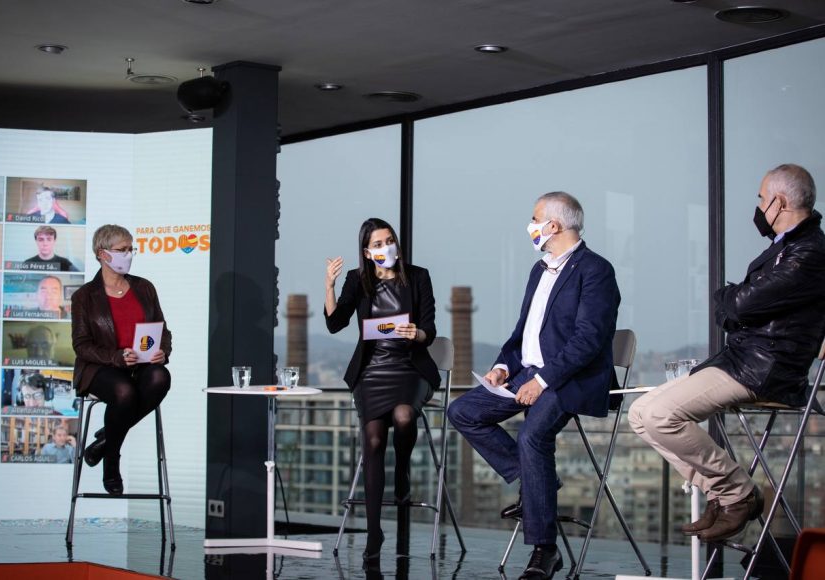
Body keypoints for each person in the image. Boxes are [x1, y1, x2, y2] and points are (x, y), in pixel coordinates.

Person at [630, 163, 825, 543]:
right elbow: (740, 306)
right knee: (640, 414)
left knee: (658, 414)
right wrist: (733, 301)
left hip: (764, 369)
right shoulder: (788, 249)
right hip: (743, 360)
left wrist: (730, 299)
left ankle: (738, 494)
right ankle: (725, 493)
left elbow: (736, 307)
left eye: (760, 198)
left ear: (778, 201)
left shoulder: (808, 253)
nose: (757, 207)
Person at [447, 192, 620, 580]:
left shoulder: (596, 270)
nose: (531, 226)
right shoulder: (538, 270)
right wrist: (501, 368)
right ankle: (536, 479)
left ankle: (544, 549)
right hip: (528, 373)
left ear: (554, 226)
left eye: (535, 218)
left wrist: (542, 380)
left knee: (532, 438)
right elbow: (522, 335)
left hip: (569, 378)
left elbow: (589, 339)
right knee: (462, 412)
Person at [324, 217, 440, 562]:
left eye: (389, 240)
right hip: (372, 371)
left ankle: (402, 469)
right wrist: (329, 285)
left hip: (409, 367)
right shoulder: (357, 281)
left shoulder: (418, 277)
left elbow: (430, 329)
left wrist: (416, 334)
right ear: (366, 251)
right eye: (377, 244)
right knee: (373, 439)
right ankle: (374, 532)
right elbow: (335, 323)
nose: (385, 247)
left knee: (404, 416)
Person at [71, 224, 172, 495]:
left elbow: (163, 329)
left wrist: (163, 350)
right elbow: (81, 346)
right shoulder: (84, 296)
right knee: (124, 392)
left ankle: (106, 441)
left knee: (161, 376)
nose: (128, 255)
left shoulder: (144, 287)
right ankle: (112, 462)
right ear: (102, 254)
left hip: (141, 365)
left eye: (131, 249)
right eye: (122, 250)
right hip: (100, 368)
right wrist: (116, 357)